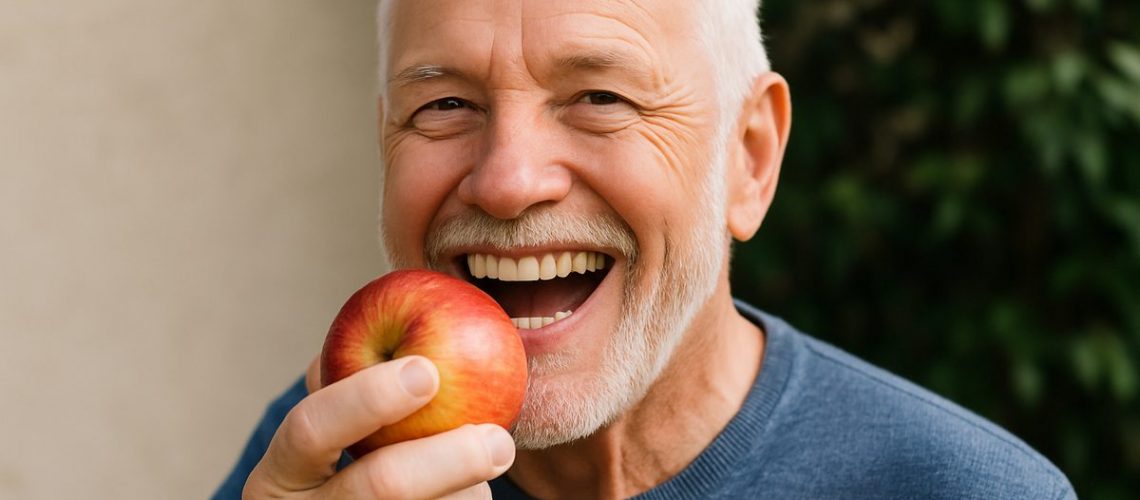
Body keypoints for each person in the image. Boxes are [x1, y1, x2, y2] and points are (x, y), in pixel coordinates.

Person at [215, 0, 1076, 498]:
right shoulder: (328, 462)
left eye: (600, 96)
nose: (508, 182)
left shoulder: (964, 491)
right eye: (444, 107)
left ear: (750, 159)